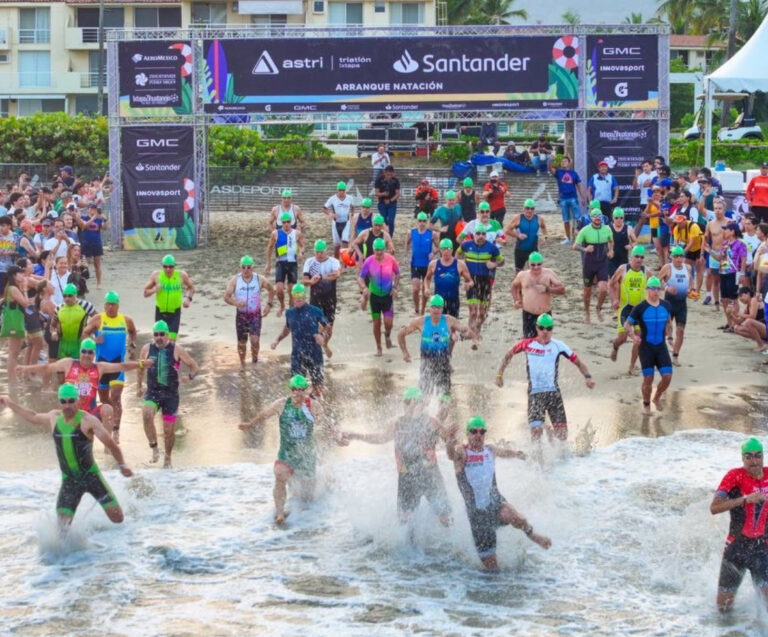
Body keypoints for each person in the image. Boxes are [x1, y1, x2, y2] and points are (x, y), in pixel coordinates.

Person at [0, 384, 133, 530]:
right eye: (63, 401)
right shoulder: (54, 418)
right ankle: (76, 550)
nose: (67, 405)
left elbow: (111, 445)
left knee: (118, 518)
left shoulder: (88, 420)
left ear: (78, 401)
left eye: (71, 401)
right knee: (62, 529)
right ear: (59, 402)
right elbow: (33, 417)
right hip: (69, 481)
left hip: (91, 477)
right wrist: (10, 403)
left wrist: (122, 465)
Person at [446, 416, 551, 571]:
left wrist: (520, 454)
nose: (478, 435)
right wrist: (449, 440)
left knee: (517, 517)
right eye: (474, 432)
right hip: (478, 516)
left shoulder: (490, 450)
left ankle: (533, 535)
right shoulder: (463, 453)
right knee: (492, 570)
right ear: (468, 434)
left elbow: (506, 452)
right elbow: (451, 455)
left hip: (495, 502)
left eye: (482, 432)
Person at [238, 374, 346, 525]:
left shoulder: (313, 406)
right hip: (286, 454)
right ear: (290, 390)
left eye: (300, 390)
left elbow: (327, 423)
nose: (297, 393)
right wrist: (250, 424)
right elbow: (264, 415)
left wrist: (338, 437)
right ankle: (280, 513)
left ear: (305, 390)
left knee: (307, 497)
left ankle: (323, 485)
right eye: (294, 389)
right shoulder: (282, 404)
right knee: (279, 476)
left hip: (306, 455)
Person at [342, 387, 454, 525]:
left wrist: (451, 438)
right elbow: (380, 438)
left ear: (421, 404)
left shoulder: (431, 421)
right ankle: (408, 547)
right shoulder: (397, 423)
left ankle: (454, 545)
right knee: (405, 522)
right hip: (407, 478)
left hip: (430, 475)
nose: (409, 406)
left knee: (446, 518)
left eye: (413, 402)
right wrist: (355, 435)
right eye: (407, 402)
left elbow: (449, 441)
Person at [19, 337, 147, 443]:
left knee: (108, 408)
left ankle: (108, 449)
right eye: (84, 351)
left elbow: (122, 366)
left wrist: (141, 364)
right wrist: (26, 368)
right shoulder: (68, 363)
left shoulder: (99, 367)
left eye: (90, 352)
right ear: (80, 352)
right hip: (71, 413)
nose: (86, 355)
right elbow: (47, 367)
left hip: (90, 413)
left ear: (94, 355)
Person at [496, 313, 594, 442]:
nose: (545, 332)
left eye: (549, 328)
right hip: (535, 394)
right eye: (541, 328)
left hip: (553, 393)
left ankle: (553, 441)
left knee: (562, 436)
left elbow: (578, 362)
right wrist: (499, 374)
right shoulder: (527, 344)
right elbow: (508, 355)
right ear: (536, 328)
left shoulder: (559, 346)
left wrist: (588, 377)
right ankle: (538, 461)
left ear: (552, 329)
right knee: (536, 435)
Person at [710, 438, 768, 614]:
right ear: (743, 459)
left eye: (758, 456)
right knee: (723, 610)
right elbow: (714, 507)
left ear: (763, 457)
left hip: (762, 550)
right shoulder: (735, 476)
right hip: (736, 549)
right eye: (749, 457)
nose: (754, 461)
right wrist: (745, 499)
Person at [137, 320, 199, 468]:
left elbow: (195, 366)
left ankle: (168, 458)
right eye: (156, 334)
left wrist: (189, 377)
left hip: (171, 395)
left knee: (168, 431)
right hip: (152, 392)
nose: (159, 337)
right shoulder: (146, 349)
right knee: (146, 414)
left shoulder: (176, 349)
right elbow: (139, 368)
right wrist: (138, 386)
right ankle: (154, 448)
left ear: (168, 335)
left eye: (162, 334)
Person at [81, 291, 138, 439]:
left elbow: (133, 332)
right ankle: (111, 421)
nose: (110, 307)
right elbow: (84, 334)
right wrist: (94, 339)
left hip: (118, 365)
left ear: (118, 305)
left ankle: (116, 430)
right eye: (108, 304)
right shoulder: (98, 319)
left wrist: (132, 344)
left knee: (116, 397)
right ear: (104, 305)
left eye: (113, 304)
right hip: (101, 366)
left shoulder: (126, 320)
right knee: (105, 400)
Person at [398, 294, 474, 397]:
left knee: (445, 399)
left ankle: (440, 412)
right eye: (433, 307)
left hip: (444, 365)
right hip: (426, 364)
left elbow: (468, 332)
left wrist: (460, 337)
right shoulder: (421, 322)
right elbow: (401, 334)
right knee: (424, 397)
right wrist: (405, 352)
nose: (436, 310)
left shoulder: (449, 320)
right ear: (430, 308)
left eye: (439, 307)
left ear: (442, 309)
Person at [624, 277, 673, 413]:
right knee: (648, 378)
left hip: (661, 346)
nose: (655, 291)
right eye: (652, 288)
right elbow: (627, 324)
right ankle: (646, 404)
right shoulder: (640, 307)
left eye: (657, 288)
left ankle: (656, 397)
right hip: (646, 347)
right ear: (647, 290)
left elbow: (669, 322)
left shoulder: (666, 305)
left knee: (668, 376)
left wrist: (670, 336)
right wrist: (633, 336)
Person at [271, 283, 329, 390]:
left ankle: (313, 404)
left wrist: (322, 336)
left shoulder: (315, 311)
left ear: (304, 296)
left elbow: (327, 325)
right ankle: (301, 405)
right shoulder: (289, 313)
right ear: (292, 296)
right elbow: (287, 329)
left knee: (318, 388)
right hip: (298, 354)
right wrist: (277, 340)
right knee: (296, 388)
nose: (298, 298)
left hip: (314, 353)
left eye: (300, 295)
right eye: (295, 295)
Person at [223, 255, 275, 365]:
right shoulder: (235, 280)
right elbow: (226, 297)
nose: (246, 269)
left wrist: (269, 305)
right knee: (242, 343)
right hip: (241, 315)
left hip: (255, 315)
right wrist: (236, 303)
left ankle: (254, 361)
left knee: (255, 340)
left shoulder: (259, 279)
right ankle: (242, 364)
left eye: (249, 267)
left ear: (253, 268)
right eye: (243, 267)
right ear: (240, 267)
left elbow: (271, 290)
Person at [458, 223, 503, 340]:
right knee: (473, 312)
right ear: (474, 235)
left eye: (483, 234)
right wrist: (462, 266)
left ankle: (477, 329)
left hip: (485, 281)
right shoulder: (466, 245)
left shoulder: (492, 248)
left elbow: (502, 261)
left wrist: (494, 264)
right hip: (471, 280)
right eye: (478, 233)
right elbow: (457, 254)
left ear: (486, 235)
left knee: (482, 314)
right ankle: (472, 334)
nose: (480, 236)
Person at [608, 245, 647, 374]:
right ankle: (615, 347)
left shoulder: (646, 271)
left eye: (642, 257)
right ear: (631, 257)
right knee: (622, 338)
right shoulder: (623, 269)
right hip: (625, 308)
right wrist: (614, 299)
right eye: (637, 256)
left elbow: (656, 285)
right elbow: (611, 284)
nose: (639, 259)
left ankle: (631, 367)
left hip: (639, 311)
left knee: (638, 339)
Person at [359, 238, 400, 356]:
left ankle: (387, 335)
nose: (379, 253)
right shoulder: (369, 261)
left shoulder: (391, 260)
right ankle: (378, 347)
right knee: (376, 323)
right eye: (376, 250)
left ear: (384, 249)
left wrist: (395, 287)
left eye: (381, 250)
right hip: (374, 297)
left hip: (387, 295)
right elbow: (361, 278)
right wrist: (364, 288)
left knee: (388, 323)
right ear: (373, 249)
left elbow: (398, 274)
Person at [511, 252, 566, 338]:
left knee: (545, 342)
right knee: (529, 343)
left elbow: (562, 290)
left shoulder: (548, 273)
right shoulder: (522, 275)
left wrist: (547, 289)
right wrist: (516, 300)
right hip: (528, 314)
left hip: (545, 315)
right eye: (533, 265)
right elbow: (514, 287)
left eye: (539, 264)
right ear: (528, 264)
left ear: (542, 263)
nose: (536, 267)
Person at [573, 208, 614, 324]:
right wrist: (585, 249)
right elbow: (575, 246)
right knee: (587, 291)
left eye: (599, 216)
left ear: (602, 217)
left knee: (603, 289)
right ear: (590, 218)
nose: (597, 218)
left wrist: (611, 250)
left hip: (602, 262)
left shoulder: (607, 229)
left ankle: (598, 308)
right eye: (594, 216)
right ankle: (587, 313)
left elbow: (611, 240)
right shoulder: (585, 230)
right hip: (589, 263)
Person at [302, 239, 340, 358]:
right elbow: (304, 281)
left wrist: (322, 277)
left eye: (321, 252)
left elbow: (336, 275)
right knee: (318, 327)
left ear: (326, 251)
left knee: (329, 328)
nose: (319, 254)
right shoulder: (309, 262)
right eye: (317, 252)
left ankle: (325, 344)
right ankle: (316, 350)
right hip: (315, 299)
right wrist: (311, 281)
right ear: (314, 251)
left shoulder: (333, 261)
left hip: (330, 298)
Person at [143, 254, 195, 341]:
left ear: (175, 266)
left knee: (171, 341)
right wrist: (155, 289)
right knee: (159, 340)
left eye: (171, 267)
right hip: (160, 312)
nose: (168, 269)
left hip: (175, 313)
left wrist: (188, 299)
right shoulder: (156, 275)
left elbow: (191, 287)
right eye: (165, 266)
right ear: (162, 266)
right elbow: (145, 293)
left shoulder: (181, 275)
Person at [265, 212, 304, 317]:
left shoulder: (297, 233)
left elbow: (302, 246)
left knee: (292, 289)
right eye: (284, 222)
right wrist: (268, 263)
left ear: (291, 222)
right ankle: (282, 305)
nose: (286, 224)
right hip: (280, 263)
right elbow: (269, 248)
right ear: (281, 223)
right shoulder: (275, 233)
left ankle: (291, 310)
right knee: (279, 289)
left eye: (288, 222)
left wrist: (300, 252)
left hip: (292, 263)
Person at [659, 246, 692, 365]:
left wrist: (691, 290)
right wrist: (667, 287)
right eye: (676, 256)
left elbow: (690, 281)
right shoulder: (667, 268)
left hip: (682, 304)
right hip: (669, 303)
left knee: (680, 331)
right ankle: (662, 352)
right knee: (665, 328)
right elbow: (657, 281)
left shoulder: (687, 267)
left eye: (681, 256)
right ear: (671, 257)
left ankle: (675, 355)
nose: (679, 259)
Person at [424, 238, 473, 319]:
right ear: (440, 250)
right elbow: (427, 278)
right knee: (438, 325)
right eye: (443, 249)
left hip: (453, 300)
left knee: (452, 326)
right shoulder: (433, 264)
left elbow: (470, 281)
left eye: (448, 249)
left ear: (452, 250)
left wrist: (468, 284)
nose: (446, 251)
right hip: (438, 301)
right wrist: (426, 288)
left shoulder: (460, 264)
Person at [1, 265, 29, 381]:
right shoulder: (13, 288)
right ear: (14, 275)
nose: (22, 275)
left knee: (14, 353)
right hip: (15, 322)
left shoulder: (10, 288)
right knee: (13, 354)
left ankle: (12, 379)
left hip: (13, 321)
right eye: (20, 273)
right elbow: (25, 303)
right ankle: (12, 381)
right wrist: (26, 290)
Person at [406, 212, 437, 314]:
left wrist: (433, 252)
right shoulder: (411, 232)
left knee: (425, 290)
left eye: (424, 221)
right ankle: (416, 307)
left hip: (427, 266)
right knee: (415, 289)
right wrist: (406, 256)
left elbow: (439, 246)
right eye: (420, 221)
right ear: (417, 221)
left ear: (427, 222)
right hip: (415, 264)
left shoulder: (431, 234)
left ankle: (423, 309)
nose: (422, 223)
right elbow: (407, 244)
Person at [505, 199, 548, 272]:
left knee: (533, 271)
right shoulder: (518, 218)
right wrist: (518, 235)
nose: (530, 210)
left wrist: (545, 237)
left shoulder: (539, 219)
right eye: (527, 208)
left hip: (533, 249)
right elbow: (507, 230)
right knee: (519, 273)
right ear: (523, 208)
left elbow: (544, 227)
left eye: (532, 208)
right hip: (520, 250)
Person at [550, 155, 585, 244]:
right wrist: (550, 160)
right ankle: (568, 238)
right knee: (566, 220)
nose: (563, 162)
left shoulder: (574, 173)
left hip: (573, 198)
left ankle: (579, 238)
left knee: (578, 219)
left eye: (565, 161)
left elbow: (579, 186)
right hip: (563, 199)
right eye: (562, 161)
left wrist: (582, 197)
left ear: (569, 163)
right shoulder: (559, 172)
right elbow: (550, 168)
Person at [671, 213, 704, 299]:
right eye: (677, 222)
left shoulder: (693, 226)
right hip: (689, 248)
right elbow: (675, 243)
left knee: (699, 269)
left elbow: (692, 242)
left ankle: (698, 291)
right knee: (687, 269)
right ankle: (691, 289)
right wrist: (675, 252)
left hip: (699, 247)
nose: (678, 224)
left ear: (685, 220)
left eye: (680, 222)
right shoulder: (676, 228)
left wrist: (681, 253)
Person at [75, 203, 107, 288]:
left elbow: (105, 228)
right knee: (84, 264)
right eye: (91, 208)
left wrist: (105, 219)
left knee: (97, 264)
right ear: (88, 209)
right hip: (86, 243)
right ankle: (82, 282)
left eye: (95, 208)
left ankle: (99, 283)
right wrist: (94, 217)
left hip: (96, 243)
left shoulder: (99, 219)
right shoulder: (84, 218)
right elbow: (84, 226)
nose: (93, 210)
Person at [324, 181, 355, 259]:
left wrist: (352, 214)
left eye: (343, 190)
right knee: (336, 245)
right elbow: (324, 208)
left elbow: (353, 206)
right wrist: (331, 214)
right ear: (337, 190)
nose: (341, 192)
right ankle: (336, 261)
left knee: (345, 242)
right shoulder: (333, 199)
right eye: (340, 190)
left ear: (345, 190)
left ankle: (344, 263)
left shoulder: (349, 198)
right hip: (336, 223)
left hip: (346, 223)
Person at [607, 208, 636, 276]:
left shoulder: (629, 228)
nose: (619, 220)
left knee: (622, 279)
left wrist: (631, 246)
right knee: (613, 279)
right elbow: (602, 243)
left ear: (623, 218)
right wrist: (608, 251)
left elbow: (635, 242)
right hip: (611, 260)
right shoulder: (608, 228)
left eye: (621, 218)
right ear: (613, 218)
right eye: (616, 218)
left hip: (623, 260)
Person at [374, 165, 401, 237]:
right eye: (387, 174)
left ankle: (390, 236)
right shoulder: (379, 180)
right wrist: (383, 194)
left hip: (392, 203)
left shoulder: (395, 180)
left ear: (393, 173)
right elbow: (376, 193)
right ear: (384, 173)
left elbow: (398, 194)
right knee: (383, 220)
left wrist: (390, 200)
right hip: (382, 203)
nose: (389, 176)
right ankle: (383, 234)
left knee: (391, 221)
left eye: (391, 174)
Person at [0, 214, 19, 293]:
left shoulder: (16, 237)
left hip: (11, 268)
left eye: (3, 225)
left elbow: (19, 252)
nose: (1, 228)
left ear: (9, 226)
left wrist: (12, 253)